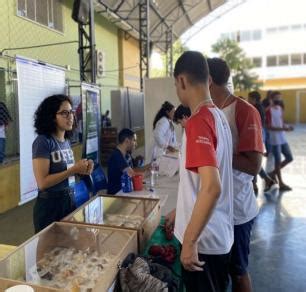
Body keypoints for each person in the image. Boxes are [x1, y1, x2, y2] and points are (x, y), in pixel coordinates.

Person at [166, 51, 234, 292]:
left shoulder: (198, 122)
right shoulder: (218, 117)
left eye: (176, 84)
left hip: (203, 244)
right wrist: (181, 211)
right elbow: (199, 183)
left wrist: (190, 241)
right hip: (218, 235)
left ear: (182, 81)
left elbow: (212, 187)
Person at [207, 57, 263, 292]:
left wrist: (218, 151)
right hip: (216, 209)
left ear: (209, 80)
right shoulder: (210, 112)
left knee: (238, 273)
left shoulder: (244, 111)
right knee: (218, 273)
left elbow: (254, 166)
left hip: (238, 211)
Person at [32, 95, 94, 233]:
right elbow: (42, 182)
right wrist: (72, 170)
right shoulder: (43, 141)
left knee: (67, 249)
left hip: (69, 200)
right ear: (52, 116)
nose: (70, 116)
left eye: (71, 112)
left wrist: (82, 169)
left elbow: (66, 174)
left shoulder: (66, 141)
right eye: (65, 113)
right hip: (49, 206)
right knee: (48, 252)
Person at [248, 91, 277, 193]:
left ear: (254, 99)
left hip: (257, 136)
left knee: (253, 161)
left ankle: (256, 183)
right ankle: (266, 180)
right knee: (253, 161)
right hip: (259, 135)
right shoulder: (258, 107)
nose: (248, 101)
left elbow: (255, 125)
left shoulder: (256, 109)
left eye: (249, 99)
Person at [265, 91, 294, 191]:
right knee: (277, 161)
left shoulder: (280, 109)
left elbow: (281, 122)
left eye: (280, 98)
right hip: (275, 139)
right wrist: (283, 129)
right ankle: (281, 184)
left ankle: (272, 174)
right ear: (272, 99)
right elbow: (268, 126)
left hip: (282, 138)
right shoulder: (268, 110)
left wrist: (287, 127)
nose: (279, 100)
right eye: (277, 98)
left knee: (289, 157)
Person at [107, 128, 149, 195]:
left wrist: (150, 165)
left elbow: (134, 169)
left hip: (127, 189)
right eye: (134, 140)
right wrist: (149, 173)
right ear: (127, 141)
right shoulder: (116, 156)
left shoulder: (126, 153)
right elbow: (132, 174)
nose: (136, 144)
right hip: (117, 194)